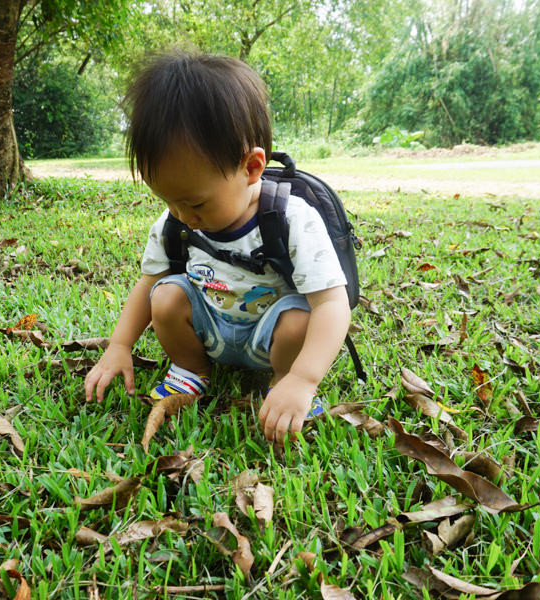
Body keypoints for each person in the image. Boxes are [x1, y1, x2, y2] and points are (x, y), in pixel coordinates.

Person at [83, 52, 351, 445]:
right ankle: (191, 370)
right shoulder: (176, 220)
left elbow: (332, 303)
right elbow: (147, 283)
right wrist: (120, 345)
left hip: (271, 336)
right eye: (168, 201)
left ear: (252, 168)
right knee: (166, 296)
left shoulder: (292, 218)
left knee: (301, 319)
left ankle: (284, 385)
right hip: (212, 328)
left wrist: (304, 377)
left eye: (194, 203)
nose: (181, 215)